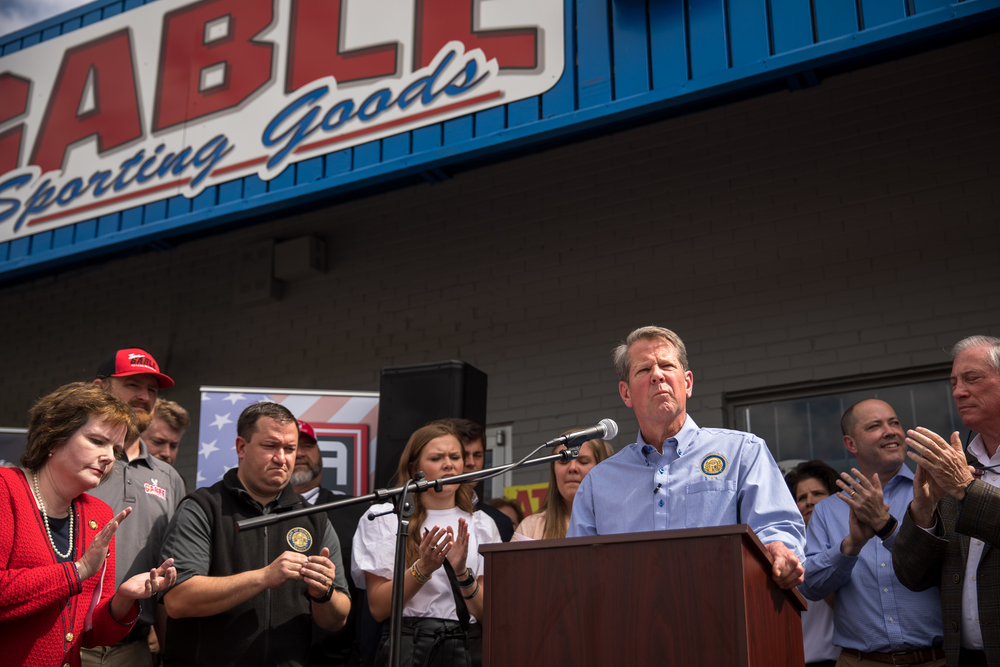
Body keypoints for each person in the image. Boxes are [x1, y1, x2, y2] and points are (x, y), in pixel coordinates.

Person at [568, 326, 806, 589]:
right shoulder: (598, 482)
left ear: (688, 383)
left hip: (727, 612)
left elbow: (777, 528)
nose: (657, 376)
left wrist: (779, 548)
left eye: (667, 366)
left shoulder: (743, 452)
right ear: (625, 393)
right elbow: (578, 569)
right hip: (629, 621)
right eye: (644, 370)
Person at [160, 402, 351, 667]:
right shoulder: (203, 507)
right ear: (241, 447)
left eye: (290, 449)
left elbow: (337, 618)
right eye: (270, 446)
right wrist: (263, 577)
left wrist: (324, 593)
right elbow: (178, 600)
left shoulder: (315, 518)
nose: (282, 458)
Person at [0, 382, 176, 667]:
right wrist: (77, 572)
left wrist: (123, 600)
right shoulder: (5, 489)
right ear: (54, 437)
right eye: (97, 441)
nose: (109, 457)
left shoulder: (99, 514)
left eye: (115, 449)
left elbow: (91, 634)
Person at [800, 399, 945, 667]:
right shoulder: (828, 510)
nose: (891, 431)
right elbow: (809, 587)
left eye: (894, 423)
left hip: (936, 659)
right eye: (875, 426)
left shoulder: (933, 492)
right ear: (851, 444)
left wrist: (884, 526)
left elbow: (946, 567)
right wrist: (851, 546)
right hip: (859, 661)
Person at [352, 422, 501, 667]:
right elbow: (378, 607)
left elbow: (488, 614)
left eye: (455, 456)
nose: (448, 464)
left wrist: (463, 574)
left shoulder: (483, 524)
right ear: (414, 469)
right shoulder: (385, 518)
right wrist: (423, 569)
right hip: (408, 643)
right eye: (436, 457)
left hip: (466, 645)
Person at [893, 335, 1000, 667]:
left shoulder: (962, 477)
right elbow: (913, 577)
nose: (958, 392)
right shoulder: (962, 465)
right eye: (954, 382)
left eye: (972, 378)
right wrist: (923, 512)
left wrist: (967, 488)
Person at [85, 348, 186, 666]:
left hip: (134, 649)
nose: (145, 396)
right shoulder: (72, 459)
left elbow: (172, 566)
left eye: (152, 389)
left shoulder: (168, 477)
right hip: (67, 643)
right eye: (133, 385)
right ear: (100, 388)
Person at [291, 420, 367, 667]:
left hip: (338, 659)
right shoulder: (253, 517)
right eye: (293, 446)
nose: (301, 453)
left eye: (308, 445)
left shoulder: (358, 512)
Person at [785, 460, 842, 667]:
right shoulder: (787, 551)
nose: (809, 501)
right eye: (802, 498)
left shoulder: (853, 543)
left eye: (818, 494)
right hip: (803, 659)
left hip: (846, 659)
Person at [514, 434, 609, 540]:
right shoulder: (530, 527)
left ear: (601, 468)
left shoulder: (617, 520)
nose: (572, 468)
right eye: (564, 461)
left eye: (583, 462)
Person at [435, 418, 513, 541]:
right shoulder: (410, 516)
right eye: (462, 455)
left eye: (478, 455)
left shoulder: (499, 521)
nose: (471, 463)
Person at [143, 400, 189, 467]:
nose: (167, 454)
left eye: (173, 446)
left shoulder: (175, 477)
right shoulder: (122, 474)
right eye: (158, 442)